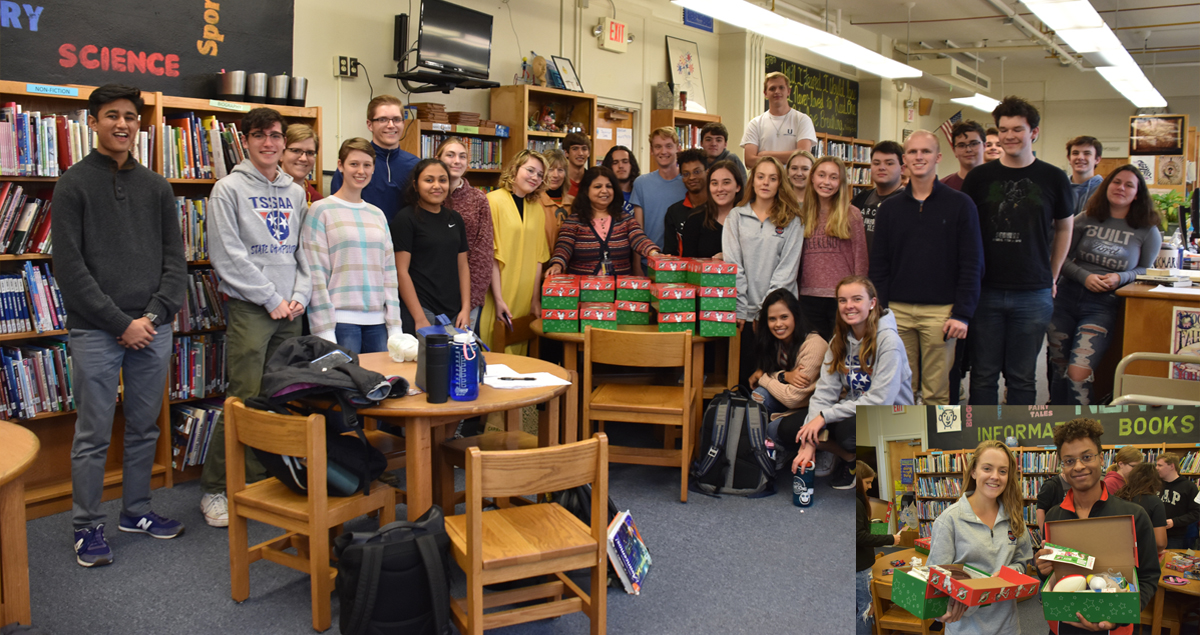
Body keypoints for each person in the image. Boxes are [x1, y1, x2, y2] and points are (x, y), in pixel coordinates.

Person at [55, 84, 188, 566]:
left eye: (131, 116)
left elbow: (176, 262)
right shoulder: (72, 183)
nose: (123, 124)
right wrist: (120, 322)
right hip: (96, 330)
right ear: (93, 122)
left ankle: (137, 511)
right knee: (91, 434)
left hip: (152, 329)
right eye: (112, 115)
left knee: (143, 428)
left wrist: (150, 317)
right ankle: (86, 526)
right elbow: (69, 268)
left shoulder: (157, 186)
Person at [203, 107, 311, 528]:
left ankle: (264, 477)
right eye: (260, 135)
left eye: (276, 135)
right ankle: (215, 487)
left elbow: (303, 251)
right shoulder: (227, 189)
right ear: (246, 140)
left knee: (281, 397)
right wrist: (270, 298)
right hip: (255, 306)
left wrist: (300, 295)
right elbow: (227, 255)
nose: (269, 143)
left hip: (291, 308)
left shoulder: (296, 192)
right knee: (244, 398)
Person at [962, 96, 1074, 406]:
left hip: (1033, 293)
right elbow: (966, 233)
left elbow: (1065, 227)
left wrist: (1052, 275)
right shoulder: (979, 178)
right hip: (985, 292)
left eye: (1018, 129)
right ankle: (979, 445)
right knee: (982, 375)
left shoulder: (1054, 177)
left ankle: (1018, 448)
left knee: (1022, 377)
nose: (1010, 136)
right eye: (1003, 129)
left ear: (1033, 133)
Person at [870, 130, 983, 406]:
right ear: (905, 159)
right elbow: (879, 264)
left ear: (938, 157)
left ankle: (940, 448)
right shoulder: (890, 208)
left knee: (937, 393)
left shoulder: (960, 204)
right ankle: (901, 447)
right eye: (913, 152)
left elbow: (972, 262)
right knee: (899, 388)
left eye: (926, 151)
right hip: (896, 311)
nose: (919, 157)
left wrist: (963, 314)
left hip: (941, 313)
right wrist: (880, 312)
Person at [1047, 165, 1161, 404]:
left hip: (1102, 306)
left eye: (1129, 185)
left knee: (1078, 372)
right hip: (1066, 298)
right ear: (1107, 186)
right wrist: (1083, 276)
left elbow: (1145, 269)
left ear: (1138, 194)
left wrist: (1121, 277)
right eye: (1116, 182)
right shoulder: (1085, 218)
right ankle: (1054, 428)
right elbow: (1059, 257)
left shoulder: (1148, 230)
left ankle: (1084, 431)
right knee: (1059, 368)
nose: (1121, 188)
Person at [1037, 418, 1159, 634]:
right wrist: (1042, 568)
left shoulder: (1133, 515)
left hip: (1113, 628)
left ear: (1101, 459)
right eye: (1069, 461)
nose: (1079, 466)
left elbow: (1148, 576)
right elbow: (1054, 575)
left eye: (1086, 457)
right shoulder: (1054, 516)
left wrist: (1118, 618)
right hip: (1063, 626)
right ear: (1062, 466)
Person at [794, 276, 913, 488]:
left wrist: (824, 417)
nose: (849, 306)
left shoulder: (889, 341)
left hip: (891, 415)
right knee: (794, 429)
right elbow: (824, 393)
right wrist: (809, 442)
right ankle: (849, 460)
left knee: (845, 433)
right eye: (842, 300)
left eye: (857, 299)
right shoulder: (838, 341)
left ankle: (871, 466)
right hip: (855, 410)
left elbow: (880, 400)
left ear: (872, 303)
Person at [302, 138, 404, 351]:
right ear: (340, 166)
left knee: (382, 383)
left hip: (378, 324)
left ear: (373, 169)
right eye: (354, 164)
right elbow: (316, 274)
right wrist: (324, 331)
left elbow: (389, 274)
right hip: (339, 324)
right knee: (345, 384)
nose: (361, 171)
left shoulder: (378, 214)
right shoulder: (321, 211)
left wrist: (395, 327)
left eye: (367, 165)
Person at [928, 440, 1034, 634]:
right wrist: (939, 612)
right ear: (974, 472)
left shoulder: (1015, 517)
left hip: (1007, 626)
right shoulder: (949, 520)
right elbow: (936, 578)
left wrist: (1008, 573)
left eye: (1003, 471)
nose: (995, 477)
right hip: (966, 628)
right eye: (987, 468)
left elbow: (1022, 562)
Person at [723, 157, 804, 387]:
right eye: (760, 177)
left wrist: (765, 311)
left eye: (773, 178)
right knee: (743, 379)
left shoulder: (792, 220)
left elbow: (787, 271)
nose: (765, 183)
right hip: (743, 314)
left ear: (781, 183)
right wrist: (743, 309)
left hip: (779, 315)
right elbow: (733, 265)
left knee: (775, 381)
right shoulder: (736, 217)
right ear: (752, 181)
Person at [479, 149, 549, 354]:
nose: (535, 177)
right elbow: (491, 254)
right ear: (515, 169)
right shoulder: (493, 201)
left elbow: (539, 258)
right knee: (496, 343)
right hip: (499, 290)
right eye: (530, 170)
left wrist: (535, 299)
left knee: (520, 348)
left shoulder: (536, 208)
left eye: (540, 174)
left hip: (525, 294)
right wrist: (499, 299)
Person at [393, 158, 471, 332]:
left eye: (442, 180)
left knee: (455, 358)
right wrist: (419, 317)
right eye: (429, 180)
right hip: (422, 309)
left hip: (454, 311)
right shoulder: (405, 219)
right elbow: (401, 271)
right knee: (427, 359)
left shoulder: (455, 218)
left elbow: (463, 266)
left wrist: (466, 308)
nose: (437, 185)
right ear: (416, 185)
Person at [798, 156, 869, 341]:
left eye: (833, 177)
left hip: (842, 298)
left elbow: (860, 259)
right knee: (814, 354)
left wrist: (858, 296)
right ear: (812, 177)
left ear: (841, 182)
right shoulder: (801, 214)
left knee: (841, 352)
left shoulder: (851, 214)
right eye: (821, 175)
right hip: (808, 297)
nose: (826, 182)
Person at [545, 166, 662, 277]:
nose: (604, 191)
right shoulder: (573, 221)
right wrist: (557, 264)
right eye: (597, 187)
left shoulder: (625, 219)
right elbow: (563, 247)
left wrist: (653, 253)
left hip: (620, 292)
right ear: (586, 191)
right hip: (584, 291)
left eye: (609, 186)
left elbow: (639, 238)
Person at [330, 95, 419, 224]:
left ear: (403, 123)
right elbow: (338, 211)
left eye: (396, 119)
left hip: (403, 241)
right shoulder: (354, 166)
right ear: (369, 124)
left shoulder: (415, 165)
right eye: (383, 119)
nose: (391, 125)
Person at [436, 137, 495, 333]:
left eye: (462, 156)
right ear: (438, 158)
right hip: (431, 293)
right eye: (450, 155)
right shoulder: (426, 196)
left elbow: (483, 254)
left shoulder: (478, 199)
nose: (456, 161)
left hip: (467, 295)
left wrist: (469, 302)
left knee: (462, 352)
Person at [746, 288, 827, 426]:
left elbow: (793, 398)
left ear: (796, 316)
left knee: (773, 430)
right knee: (758, 397)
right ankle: (758, 444)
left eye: (784, 317)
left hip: (820, 408)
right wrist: (784, 376)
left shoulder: (814, 345)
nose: (778, 324)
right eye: (772, 319)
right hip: (795, 402)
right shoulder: (775, 342)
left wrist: (763, 376)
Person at [857, 462, 903, 635]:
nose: (870, 487)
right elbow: (859, 536)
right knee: (866, 609)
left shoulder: (860, 502)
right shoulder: (856, 503)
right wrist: (890, 538)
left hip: (863, 563)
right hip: (859, 567)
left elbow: (862, 530)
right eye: (867, 482)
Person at [741, 71, 817, 168]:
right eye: (772, 88)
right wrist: (789, 156)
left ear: (788, 91)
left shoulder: (802, 120)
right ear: (765, 93)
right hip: (765, 181)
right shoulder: (755, 123)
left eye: (781, 87)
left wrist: (764, 155)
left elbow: (803, 156)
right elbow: (749, 161)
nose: (777, 91)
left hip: (792, 181)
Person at [631, 127, 687, 252]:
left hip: (681, 261)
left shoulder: (687, 182)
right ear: (651, 150)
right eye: (658, 147)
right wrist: (637, 264)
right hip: (649, 259)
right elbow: (637, 231)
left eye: (668, 146)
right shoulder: (641, 183)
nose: (663, 151)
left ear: (678, 148)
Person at [681, 160, 743, 259]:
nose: (719, 189)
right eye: (714, 183)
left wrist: (728, 257)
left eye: (726, 182)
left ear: (738, 187)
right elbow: (688, 266)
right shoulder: (695, 221)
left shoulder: (749, 220)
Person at [850, 141, 904, 251]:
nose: (882, 167)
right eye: (876, 163)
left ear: (902, 169)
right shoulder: (861, 198)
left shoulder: (908, 202)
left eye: (889, 163)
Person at [1113, 462, 1169, 554]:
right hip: (1143, 556)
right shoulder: (1154, 501)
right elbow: (1160, 542)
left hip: (1118, 552)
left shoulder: (1118, 496)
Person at [663, 148, 708, 256]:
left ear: (708, 172)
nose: (692, 177)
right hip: (683, 271)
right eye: (686, 174)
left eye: (697, 172)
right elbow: (670, 253)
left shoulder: (718, 208)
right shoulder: (674, 212)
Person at [1157, 452, 1200, 549]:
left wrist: (1174, 522)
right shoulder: (1156, 485)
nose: (1156, 468)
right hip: (1156, 533)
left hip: (1178, 537)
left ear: (1172, 466)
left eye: (1160, 465)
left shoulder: (1189, 487)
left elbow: (1196, 512)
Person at [281, 123, 323, 204]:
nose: (304, 158)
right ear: (281, 154)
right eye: (296, 151)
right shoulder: (263, 194)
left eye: (310, 152)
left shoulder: (318, 201)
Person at [539, 147, 571, 249]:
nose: (555, 175)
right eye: (550, 170)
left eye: (560, 170)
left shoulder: (573, 203)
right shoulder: (533, 202)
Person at [941, 120, 985, 191]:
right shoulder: (943, 187)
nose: (968, 149)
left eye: (974, 144)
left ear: (984, 146)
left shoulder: (1000, 184)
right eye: (961, 145)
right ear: (954, 150)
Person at [1067, 136, 1104, 215]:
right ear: (1069, 158)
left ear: (1097, 160)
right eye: (1075, 153)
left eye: (1087, 153)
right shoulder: (1059, 186)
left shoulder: (1104, 189)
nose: (1080, 157)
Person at [601, 144, 640, 214]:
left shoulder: (640, 192)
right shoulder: (604, 194)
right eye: (615, 163)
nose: (621, 166)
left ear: (631, 165)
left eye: (625, 162)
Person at [1036, 472, 1070, 537]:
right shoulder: (1050, 485)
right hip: (1055, 532)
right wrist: (1045, 536)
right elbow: (1040, 510)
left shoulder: (1078, 484)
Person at [562, 131, 591, 197]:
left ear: (589, 153)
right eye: (575, 149)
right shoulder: (559, 180)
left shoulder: (592, 180)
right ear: (566, 153)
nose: (580, 153)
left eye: (584, 149)